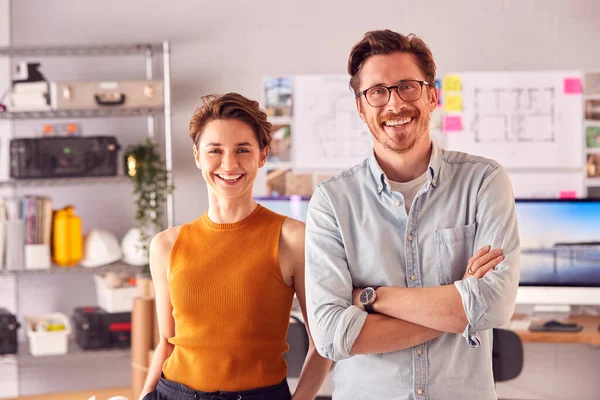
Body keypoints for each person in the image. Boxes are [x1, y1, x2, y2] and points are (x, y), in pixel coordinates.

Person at [305, 30, 520, 399]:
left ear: (432, 95)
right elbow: (330, 336)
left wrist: (371, 298)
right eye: (377, 91)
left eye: (407, 86)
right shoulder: (331, 202)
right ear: (360, 107)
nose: (394, 104)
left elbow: (494, 305)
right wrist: (456, 306)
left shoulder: (484, 181)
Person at [140, 93, 331, 400]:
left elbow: (324, 343)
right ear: (198, 156)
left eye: (243, 149)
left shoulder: (293, 239)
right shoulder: (165, 245)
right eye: (215, 150)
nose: (229, 164)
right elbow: (166, 341)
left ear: (263, 155)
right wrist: (145, 394)